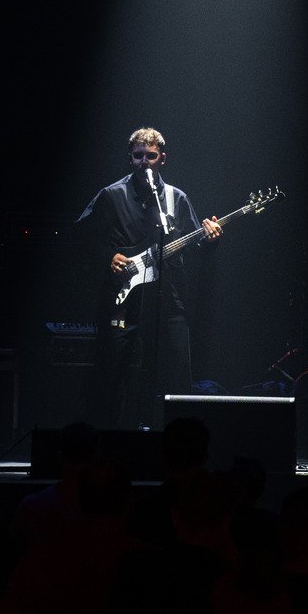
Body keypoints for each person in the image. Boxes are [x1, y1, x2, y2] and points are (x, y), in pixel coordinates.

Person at [75, 127, 221, 429]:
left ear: (162, 158)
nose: (144, 162)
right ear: (130, 158)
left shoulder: (176, 199)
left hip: (168, 299)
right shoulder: (112, 195)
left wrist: (209, 240)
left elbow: (193, 248)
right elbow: (81, 237)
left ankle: (178, 438)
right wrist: (108, 257)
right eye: (138, 156)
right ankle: (107, 438)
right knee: (112, 373)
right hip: (123, 302)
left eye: (150, 156)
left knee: (176, 371)